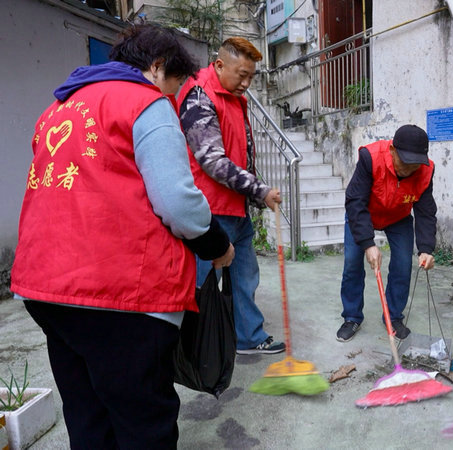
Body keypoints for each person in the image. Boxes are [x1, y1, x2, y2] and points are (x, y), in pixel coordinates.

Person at [11, 24, 234, 448]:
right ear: (157, 67)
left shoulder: (57, 109)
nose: (172, 97)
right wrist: (217, 245)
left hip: (45, 287)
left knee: (87, 415)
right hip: (119, 294)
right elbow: (177, 202)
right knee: (142, 423)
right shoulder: (144, 102)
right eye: (173, 85)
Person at [178, 37, 285, 355]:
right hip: (208, 210)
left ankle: (248, 337)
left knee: (245, 275)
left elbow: (242, 153)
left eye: (251, 76)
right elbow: (212, 161)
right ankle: (197, 347)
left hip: (236, 208)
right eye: (242, 75)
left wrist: (254, 196)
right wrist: (259, 189)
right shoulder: (199, 96)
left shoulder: (235, 97)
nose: (247, 83)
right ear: (220, 64)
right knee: (204, 282)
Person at [336, 124, 437, 342]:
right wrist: (368, 243)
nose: (409, 170)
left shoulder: (425, 171)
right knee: (352, 263)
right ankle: (352, 317)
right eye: (405, 163)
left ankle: (393, 317)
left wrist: (426, 249)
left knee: (403, 264)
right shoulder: (370, 158)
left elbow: (426, 212)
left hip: (398, 217)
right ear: (392, 150)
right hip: (364, 213)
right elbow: (355, 201)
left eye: (414, 165)